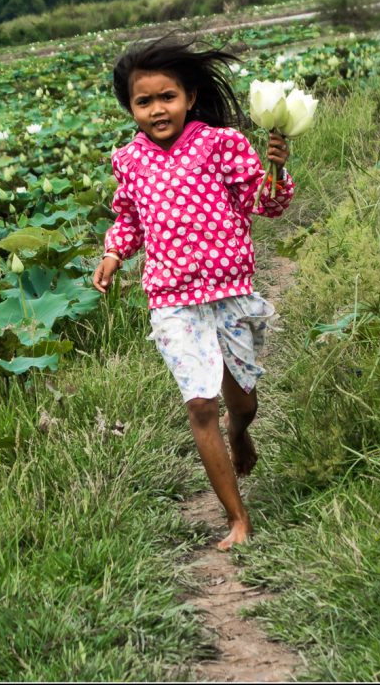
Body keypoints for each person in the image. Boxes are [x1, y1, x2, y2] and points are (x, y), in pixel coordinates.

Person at [92, 34, 294, 551]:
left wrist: (276, 168)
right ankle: (237, 519)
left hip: (230, 293)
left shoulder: (222, 144)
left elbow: (267, 205)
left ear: (189, 97)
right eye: (144, 101)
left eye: (168, 97)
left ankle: (240, 432)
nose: (157, 109)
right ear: (131, 108)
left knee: (242, 402)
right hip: (173, 302)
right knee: (200, 403)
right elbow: (129, 219)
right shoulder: (128, 161)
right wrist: (114, 254)